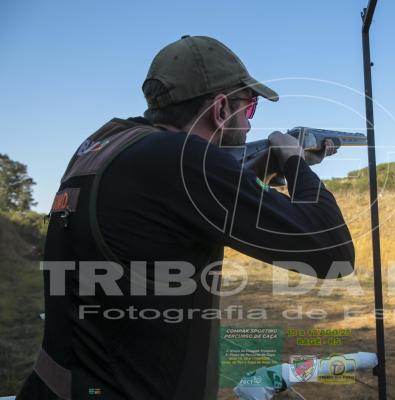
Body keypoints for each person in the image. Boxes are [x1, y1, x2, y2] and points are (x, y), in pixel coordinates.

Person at [16, 35, 354, 400]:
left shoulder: (107, 144)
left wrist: (269, 165)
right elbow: (332, 252)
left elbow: (199, 206)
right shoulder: (184, 161)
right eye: (249, 107)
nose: (249, 124)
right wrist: (295, 163)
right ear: (220, 109)